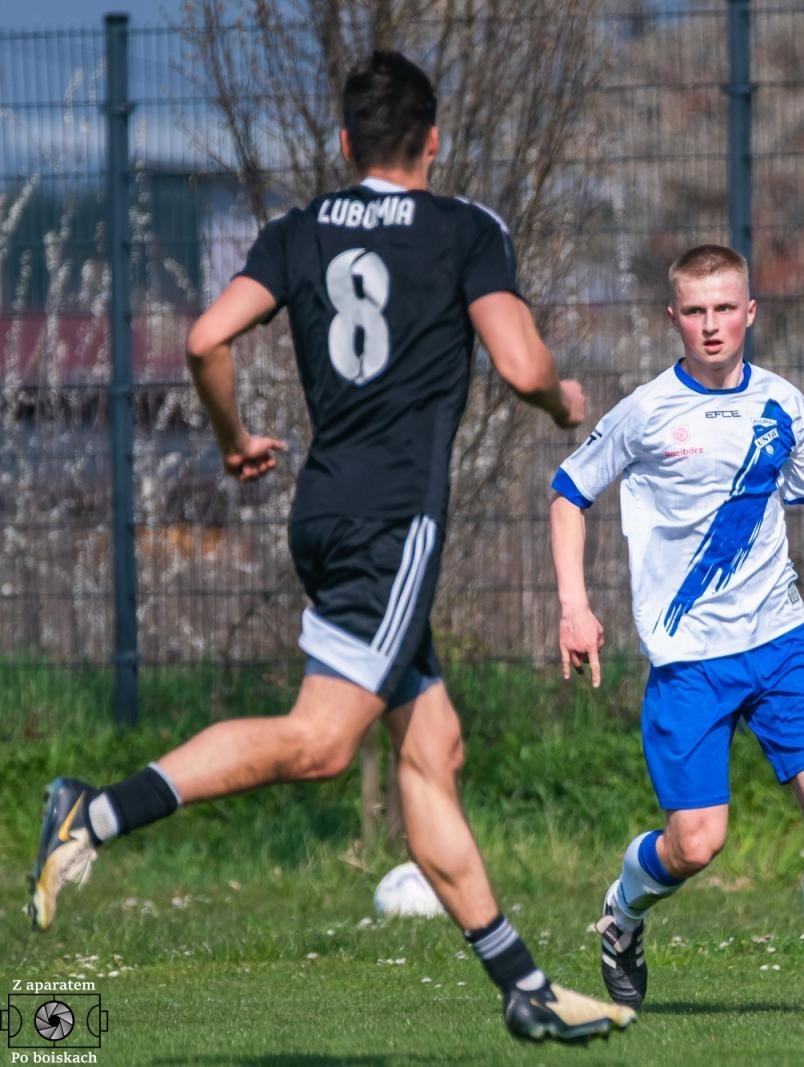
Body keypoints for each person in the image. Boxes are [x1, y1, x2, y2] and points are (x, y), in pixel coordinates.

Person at [27, 50, 635, 1046]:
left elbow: (202, 340)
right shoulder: (464, 230)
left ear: (347, 143)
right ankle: (92, 810)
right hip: (394, 524)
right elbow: (521, 359)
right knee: (318, 742)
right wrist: (558, 396)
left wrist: (231, 441)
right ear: (433, 141)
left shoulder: (299, 229)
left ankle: (522, 983)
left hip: (323, 511)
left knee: (431, 747)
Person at [549, 243, 804, 1015]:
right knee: (696, 843)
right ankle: (623, 912)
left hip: (783, 640)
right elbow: (567, 493)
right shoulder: (647, 413)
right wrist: (574, 606)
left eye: (726, 308)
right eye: (696, 311)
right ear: (673, 318)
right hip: (690, 661)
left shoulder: (784, 404)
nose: (712, 325)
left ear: (750, 311)